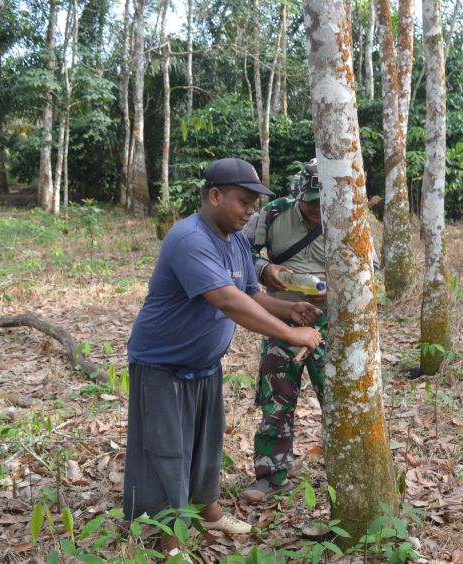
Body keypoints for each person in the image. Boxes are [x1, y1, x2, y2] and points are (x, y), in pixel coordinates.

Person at [123, 158, 323, 553]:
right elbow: (228, 301)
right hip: (162, 364)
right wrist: (290, 333)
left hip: (204, 365)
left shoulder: (235, 243)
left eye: (254, 204)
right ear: (215, 196)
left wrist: (289, 310)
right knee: (168, 450)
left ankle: (208, 511)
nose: (250, 212)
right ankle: (170, 538)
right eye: (243, 202)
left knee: (206, 444)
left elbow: (250, 294)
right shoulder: (189, 239)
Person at [241, 159, 329, 502]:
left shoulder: (348, 215)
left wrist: (334, 291)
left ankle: (344, 474)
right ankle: (271, 475)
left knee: (338, 399)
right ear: (298, 195)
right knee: (276, 398)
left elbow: (370, 267)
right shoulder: (275, 213)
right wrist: (266, 269)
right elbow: (240, 251)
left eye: (324, 202)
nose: (318, 210)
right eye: (311, 202)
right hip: (281, 318)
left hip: (332, 322)